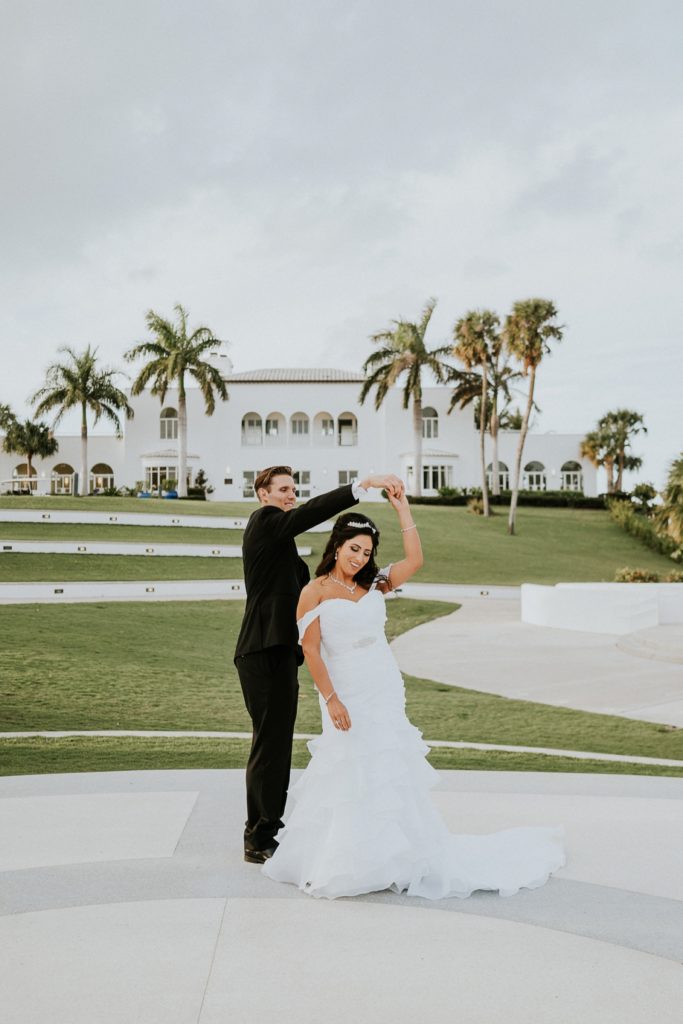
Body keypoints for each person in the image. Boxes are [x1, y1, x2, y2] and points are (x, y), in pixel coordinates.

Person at [263, 490, 565, 899]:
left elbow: (415, 561)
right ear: (336, 545)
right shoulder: (313, 591)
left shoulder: (376, 584)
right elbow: (312, 650)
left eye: (367, 552)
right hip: (345, 687)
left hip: (382, 683)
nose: (360, 558)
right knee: (349, 763)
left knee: (388, 765)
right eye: (354, 549)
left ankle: (394, 856)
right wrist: (332, 698)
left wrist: (402, 509)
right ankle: (345, 860)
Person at [234, 464, 404, 864]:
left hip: (278, 654)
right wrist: (361, 486)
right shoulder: (265, 522)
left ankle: (262, 830)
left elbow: (318, 592)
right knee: (270, 745)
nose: (290, 495)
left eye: (294, 489)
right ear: (263, 494)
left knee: (273, 744)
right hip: (263, 650)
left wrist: (367, 588)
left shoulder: (282, 547)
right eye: (282, 490)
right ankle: (260, 837)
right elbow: (305, 516)